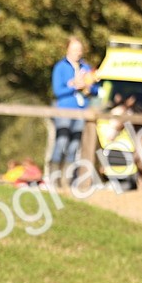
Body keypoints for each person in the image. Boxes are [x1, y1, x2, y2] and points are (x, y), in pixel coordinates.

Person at [48, 37, 98, 186]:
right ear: (68, 49)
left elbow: (95, 90)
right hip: (64, 111)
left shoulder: (86, 67)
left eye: (80, 50)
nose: (78, 52)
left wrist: (89, 86)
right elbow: (58, 91)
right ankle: (53, 180)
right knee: (61, 143)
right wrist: (74, 86)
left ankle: (67, 182)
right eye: (75, 49)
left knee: (74, 146)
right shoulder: (61, 67)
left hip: (81, 111)